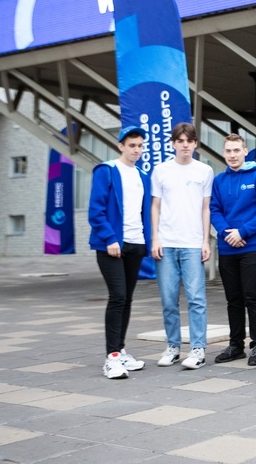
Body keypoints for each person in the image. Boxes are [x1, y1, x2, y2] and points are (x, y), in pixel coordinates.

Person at [88, 126, 152, 379]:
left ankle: (121, 350)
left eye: (140, 146)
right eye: (132, 145)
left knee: (126, 299)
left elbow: (145, 211)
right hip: (112, 245)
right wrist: (110, 238)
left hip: (135, 244)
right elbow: (96, 211)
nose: (137, 150)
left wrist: (147, 242)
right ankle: (112, 357)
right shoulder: (107, 171)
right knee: (118, 297)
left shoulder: (142, 175)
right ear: (121, 146)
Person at [150, 122, 214, 370]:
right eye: (180, 141)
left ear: (195, 144)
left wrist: (205, 240)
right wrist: (155, 238)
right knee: (169, 300)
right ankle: (173, 347)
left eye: (189, 141)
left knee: (197, 298)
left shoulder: (204, 171)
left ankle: (198, 349)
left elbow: (206, 208)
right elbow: (155, 206)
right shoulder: (161, 170)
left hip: (193, 243)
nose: (185, 145)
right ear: (173, 143)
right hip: (166, 243)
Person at [210, 133, 256, 366]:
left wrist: (243, 232)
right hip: (227, 247)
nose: (232, 155)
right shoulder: (219, 180)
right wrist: (226, 233)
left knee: (253, 297)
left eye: (236, 150)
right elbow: (214, 210)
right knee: (233, 299)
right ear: (224, 153)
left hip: (253, 247)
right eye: (228, 151)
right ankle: (236, 345)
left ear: (245, 151)